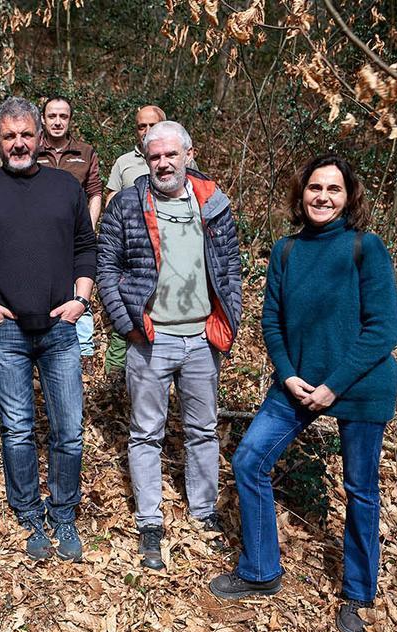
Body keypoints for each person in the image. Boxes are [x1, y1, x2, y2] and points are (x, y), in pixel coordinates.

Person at [208, 154, 397, 632]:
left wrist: (334, 384)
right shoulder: (286, 251)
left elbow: (383, 330)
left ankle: (358, 595)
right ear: (302, 194)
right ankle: (260, 570)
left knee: (360, 490)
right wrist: (288, 375)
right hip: (296, 384)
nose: (323, 197)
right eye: (315, 188)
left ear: (348, 197)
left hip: (358, 386)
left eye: (334, 189)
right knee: (250, 460)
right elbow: (271, 321)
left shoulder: (366, 248)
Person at [0, 97, 96, 562]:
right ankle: (30, 513)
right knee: (17, 430)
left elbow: (85, 246)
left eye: (26, 135)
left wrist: (81, 299)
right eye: (9, 136)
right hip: (6, 331)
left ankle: (64, 511)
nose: (18, 143)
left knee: (68, 429)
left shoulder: (64, 187)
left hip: (59, 328)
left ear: (40, 138)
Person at [97, 121, 241, 571]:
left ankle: (203, 512)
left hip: (201, 338)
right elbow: (107, 268)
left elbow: (231, 266)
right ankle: (149, 520)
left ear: (188, 155)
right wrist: (127, 325)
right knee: (146, 433)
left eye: (170, 155)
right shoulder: (126, 204)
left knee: (202, 430)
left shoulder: (213, 204)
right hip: (151, 338)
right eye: (154, 156)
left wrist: (228, 318)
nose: (162, 163)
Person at [102, 105, 199, 378]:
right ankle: (114, 382)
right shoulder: (124, 162)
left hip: (177, 278)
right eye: (141, 126)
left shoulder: (183, 166)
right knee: (127, 327)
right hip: (135, 258)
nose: (146, 131)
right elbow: (111, 201)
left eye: (152, 125)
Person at [37, 96, 102, 359]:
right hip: (38, 236)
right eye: (52, 116)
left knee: (80, 286)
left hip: (74, 235)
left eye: (63, 116)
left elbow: (95, 192)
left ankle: (83, 350)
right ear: (43, 119)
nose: (57, 122)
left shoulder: (85, 152)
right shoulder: (32, 150)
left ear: (70, 120)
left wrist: (88, 227)